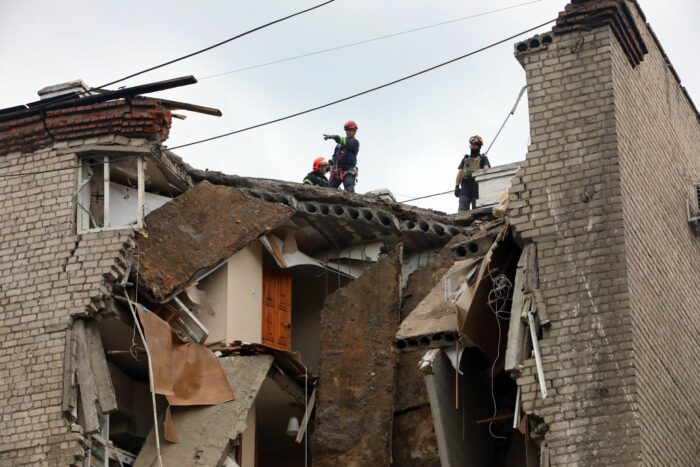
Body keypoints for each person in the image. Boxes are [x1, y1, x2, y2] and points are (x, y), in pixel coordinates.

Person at [455, 135, 490, 211]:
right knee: (462, 212)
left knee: (476, 212)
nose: (473, 146)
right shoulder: (465, 159)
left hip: (477, 189)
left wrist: (485, 163)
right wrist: (457, 186)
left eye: (475, 145)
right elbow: (460, 173)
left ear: (479, 146)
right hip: (465, 189)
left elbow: (487, 170)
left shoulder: (483, 158)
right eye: (472, 144)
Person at [323, 120, 359, 192]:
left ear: (354, 131)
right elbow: (335, 156)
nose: (348, 132)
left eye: (350, 130)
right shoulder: (339, 145)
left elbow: (345, 142)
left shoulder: (355, 143)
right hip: (337, 171)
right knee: (329, 190)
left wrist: (334, 137)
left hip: (349, 171)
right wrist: (330, 164)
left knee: (349, 189)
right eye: (347, 130)